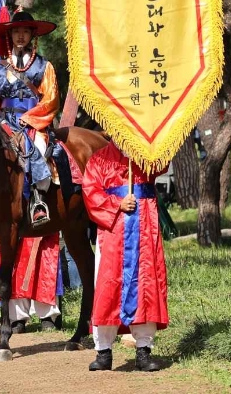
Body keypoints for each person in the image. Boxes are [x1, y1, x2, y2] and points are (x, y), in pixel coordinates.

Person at [83, 142, 168, 372]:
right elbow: (90, 192)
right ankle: (103, 352)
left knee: (145, 285)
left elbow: (163, 164)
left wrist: (157, 148)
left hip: (144, 227)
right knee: (107, 286)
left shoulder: (146, 156)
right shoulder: (99, 158)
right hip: (112, 231)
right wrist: (116, 203)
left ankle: (143, 349)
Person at [0, 10, 60, 227]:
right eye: (16, 31)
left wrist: (31, 118)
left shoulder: (45, 66)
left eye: (25, 31)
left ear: (32, 35)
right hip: (4, 123)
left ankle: (38, 200)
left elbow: (51, 99)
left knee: (36, 147)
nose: (20, 36)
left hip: (33, 123)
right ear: (10, 35)